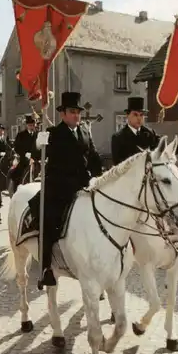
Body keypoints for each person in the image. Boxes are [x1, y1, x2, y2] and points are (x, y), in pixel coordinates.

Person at [28, 91, 103, 287]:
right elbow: (38, 153)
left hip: (84, 184)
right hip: (60, 187)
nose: (76, 115)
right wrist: (39, 142)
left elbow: (93, 156)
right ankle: (45, 268)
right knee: (49, 219)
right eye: (72, 112)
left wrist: (99, 176)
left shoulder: (85, 131)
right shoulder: (53, 133)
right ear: (62, 114)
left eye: (78, 112)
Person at [111, 97, 178, 166]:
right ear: (127, 115)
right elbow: (118, 167)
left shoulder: (149, 133)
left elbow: (165, 151)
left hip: (151, 181)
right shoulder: (118, 138)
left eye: (141, 115)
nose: (139, 118)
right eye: (135, 114)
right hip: (131, 182)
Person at [10, 115, 40, 192]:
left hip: (37, 159)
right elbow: (17, 147)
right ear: (26, 125)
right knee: (16, 174)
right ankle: (15, 191)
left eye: (33, 125)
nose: (32, 127)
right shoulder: (21, 135)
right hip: (25, 160)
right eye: (30, 125)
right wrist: (25, 154)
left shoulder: (38, 135)